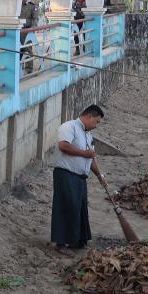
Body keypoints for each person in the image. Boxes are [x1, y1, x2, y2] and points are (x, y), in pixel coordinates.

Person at [52, 104, 105, 254]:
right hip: (66, 174)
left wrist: (100, 176)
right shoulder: (69, 127)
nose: (96, 125)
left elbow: (91, 158)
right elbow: (63, 146)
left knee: (79, 208)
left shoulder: (88, 135)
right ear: (89, 116)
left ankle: (78, 240)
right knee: (66, 207)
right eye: (96, 121)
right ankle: (61, 244)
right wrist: (84, 153)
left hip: (80, 178)